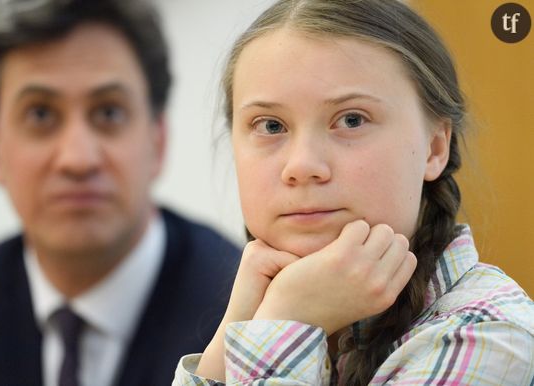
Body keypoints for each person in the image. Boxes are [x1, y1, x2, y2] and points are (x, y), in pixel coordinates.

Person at [174, 0, 534, 384]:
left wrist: (288, 319)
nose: (302, 166)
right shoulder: (271, 304)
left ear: (435, 148)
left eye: (351, 119)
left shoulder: (484, 334)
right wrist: (231, 337)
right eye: (271, 126)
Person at [0, 0, 240, 385]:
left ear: (157, 139)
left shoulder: (240, 317)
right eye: (40, 114)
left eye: (108, 112)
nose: (78, 159)